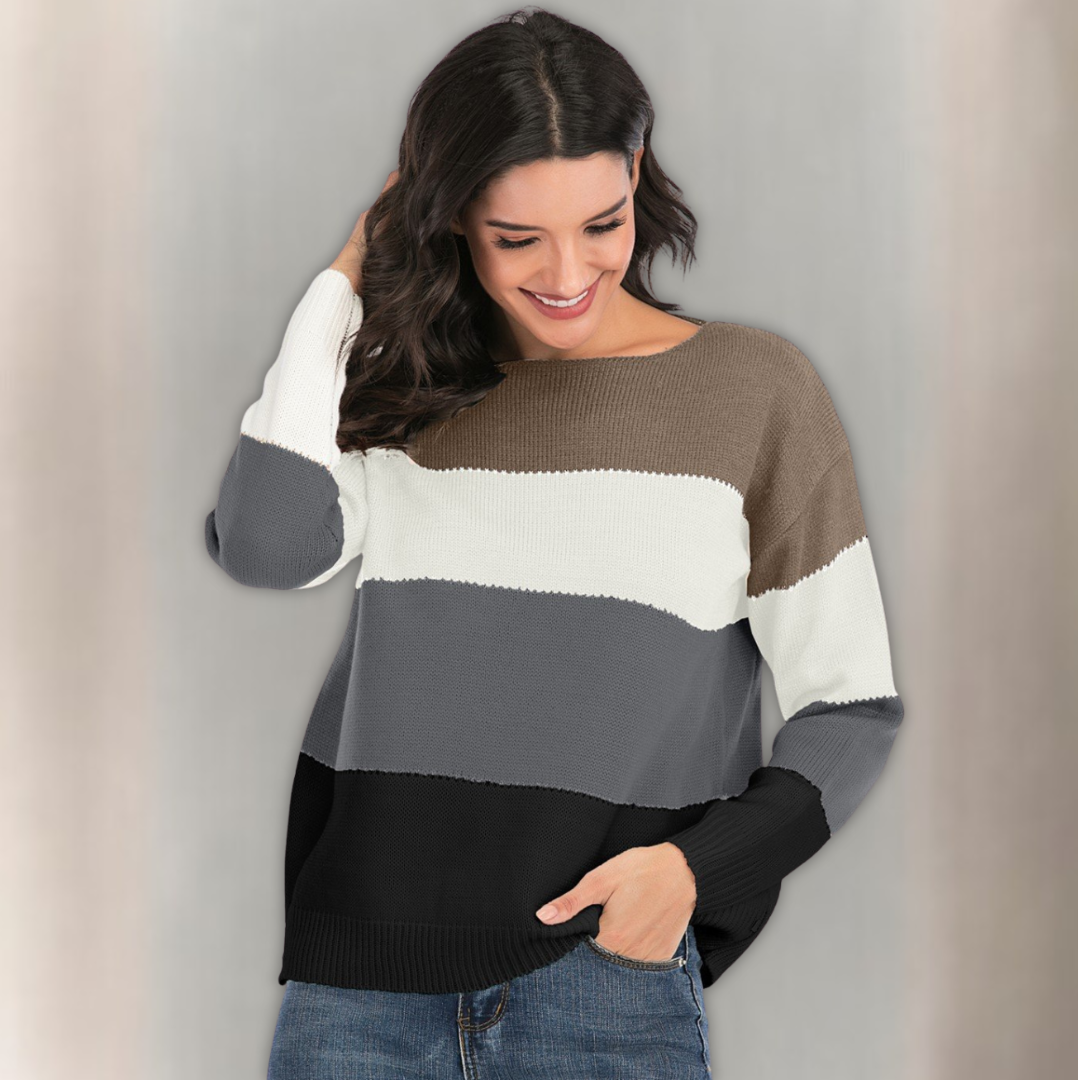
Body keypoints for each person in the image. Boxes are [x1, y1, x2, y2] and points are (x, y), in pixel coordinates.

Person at [204, 8, 904, 1078]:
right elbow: (264, 546)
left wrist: (693, 870)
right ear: (449, 215)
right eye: (516, 237)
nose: (569, 272)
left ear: (637, 174)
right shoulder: (406, 395)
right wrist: (340, 289)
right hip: (361, 992)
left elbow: (852, 705)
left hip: (603, 985)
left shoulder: (753, 393)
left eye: (602, 223)